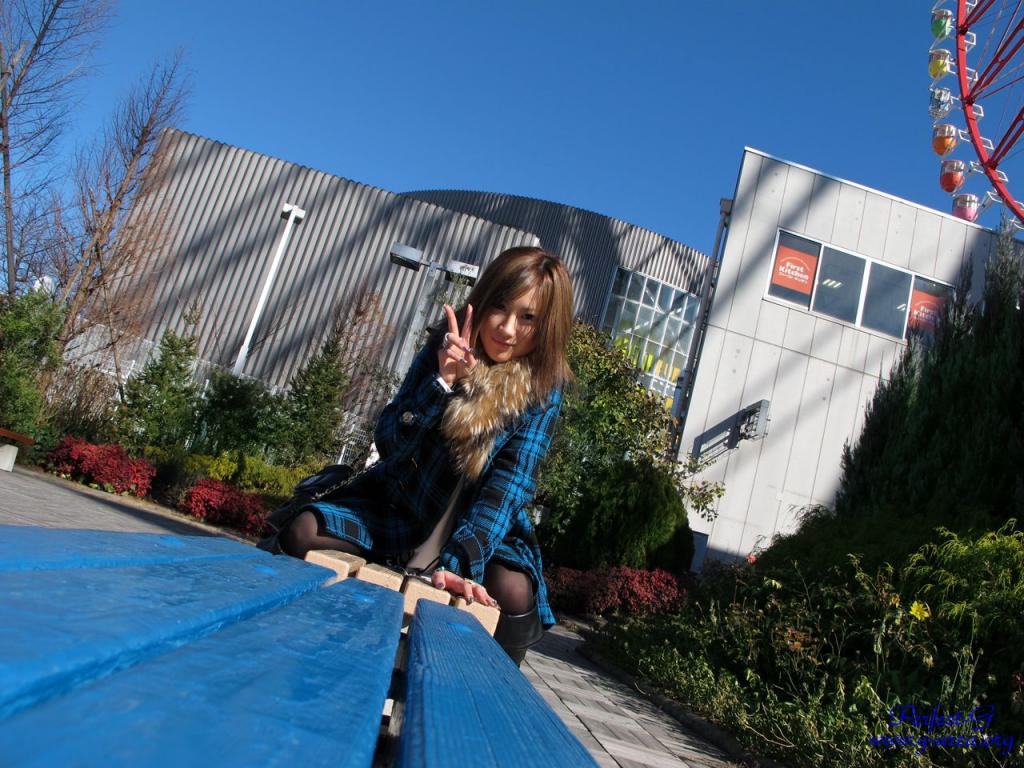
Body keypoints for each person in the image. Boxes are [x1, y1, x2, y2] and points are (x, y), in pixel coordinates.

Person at [275, 246, 573, 665]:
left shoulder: (543, 390)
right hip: (401, 510)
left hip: (482, 535)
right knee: (305, 530)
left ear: (547, 326)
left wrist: (459, 562)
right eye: (500, 308)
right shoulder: (443, 346)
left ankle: (482, 688)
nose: (507, 329)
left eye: (528, 318)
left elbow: (510, 486)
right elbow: (390, 441)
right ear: (484, 300)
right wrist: (442, 383)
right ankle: (297, 645)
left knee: (513, 593)